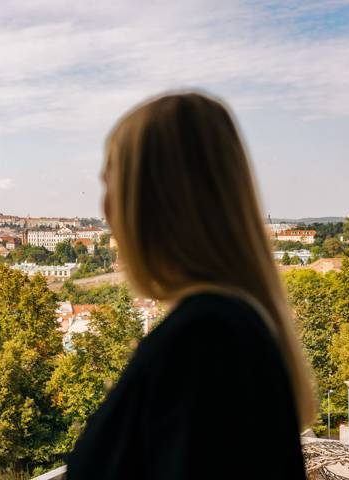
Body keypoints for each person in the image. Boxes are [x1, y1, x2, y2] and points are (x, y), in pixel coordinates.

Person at [67, 92, 314, 479]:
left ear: (154, 200)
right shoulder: (235, 324)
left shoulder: (203, 339)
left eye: (113, 183)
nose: (106, 209)